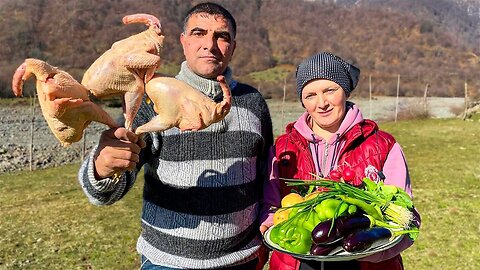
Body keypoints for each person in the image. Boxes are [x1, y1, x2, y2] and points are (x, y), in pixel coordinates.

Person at [78, 2, 273, 270]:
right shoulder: (151, 100)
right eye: (198, 33)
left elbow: (266, 176)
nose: (210, 44)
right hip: (167, 262)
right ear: (183, 41)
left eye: (221, 36)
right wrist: (101, 168)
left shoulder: (253, 102)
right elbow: (106, 191)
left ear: (233, 47)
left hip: (242, 261)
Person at [259, 52, 421, 270]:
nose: (322, 103)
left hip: (366, 264)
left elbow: (405, 215)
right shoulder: (283, 148)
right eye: (310, 95)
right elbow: (270, 206)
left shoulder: (382, 145)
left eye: (330, 90)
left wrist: (371, 248)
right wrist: (271, 228)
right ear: (302, 100)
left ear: (344, 91)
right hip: (296, 262)